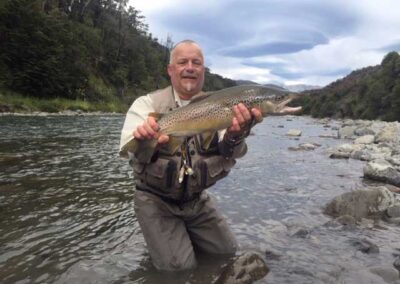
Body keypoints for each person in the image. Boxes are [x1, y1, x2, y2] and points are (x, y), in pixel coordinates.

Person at [119, 39, 263, 271]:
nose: (190, 67)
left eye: (196, 62)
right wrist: (146, 143)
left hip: (196, 200)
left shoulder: (224, 106)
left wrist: (237, 134)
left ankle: (174, 243)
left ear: (203, 70)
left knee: (226, 254)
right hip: (155, 201)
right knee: (178, 270)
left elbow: (230, 153)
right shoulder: (146, 104)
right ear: (170, 69)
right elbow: (127, 150)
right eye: (182, 62)